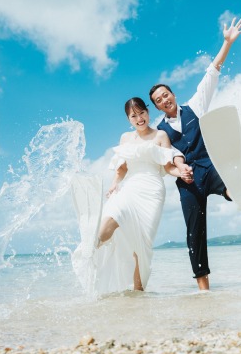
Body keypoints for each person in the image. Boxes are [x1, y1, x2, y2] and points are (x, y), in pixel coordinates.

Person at [150, 17, 241, 291]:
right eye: (159, 100)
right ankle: (204, 289)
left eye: (166, 95)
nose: (164, 100)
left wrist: (227, 43)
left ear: (173, 94)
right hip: (188, 182)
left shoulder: (195, 106)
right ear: (157, 106)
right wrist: (181, 171)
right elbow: (166, 160)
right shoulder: (160, 133)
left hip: (210, 167)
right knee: (195, 234)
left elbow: (213, 71)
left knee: (228, 185)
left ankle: (235, 193)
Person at [72, 97, 191, 295]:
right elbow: (122, 169)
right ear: (129, 119)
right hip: (130, 188)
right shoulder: (125, 139)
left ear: (147, 112)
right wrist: (113, 185)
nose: (139, 119)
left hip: (152, 192)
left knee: (140, 246)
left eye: (141, 113)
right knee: (113, 214)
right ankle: (91, 250)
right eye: (133, 116)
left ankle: (138, 295)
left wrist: (182, 173)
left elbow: (168, 166)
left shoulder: (160, 135)